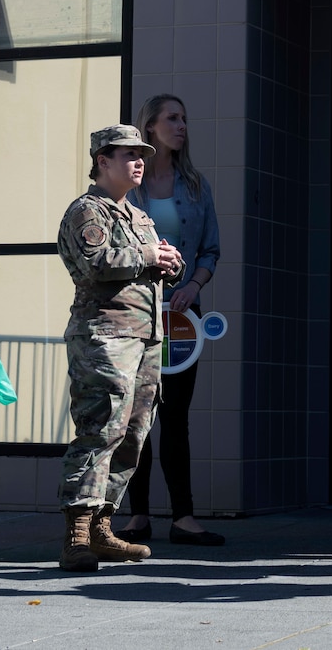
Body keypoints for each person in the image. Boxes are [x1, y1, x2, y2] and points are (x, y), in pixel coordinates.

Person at [55, 124, 184, 573]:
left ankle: (102, 525)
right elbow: (95, 264)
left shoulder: (139, 216)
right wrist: (150, 258)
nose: (139, 161)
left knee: (133, 433)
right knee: (100, 428)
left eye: (141, 154)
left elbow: (152, 265)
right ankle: (77, 529)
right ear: (102, 161)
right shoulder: (88, 211)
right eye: (127, 154)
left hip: (146, 337)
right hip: (104, 337)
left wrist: (170, 262)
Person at [119, 93, 224, 546]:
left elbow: (212, 251)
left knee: (174, 415)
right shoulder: (128, 191)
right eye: (172, 119)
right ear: (151, 128)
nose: (182, 126)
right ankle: (136, 516)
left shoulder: (197, 186)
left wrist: (193, 286)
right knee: (134, 415)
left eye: (184, 118)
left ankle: (183, 518)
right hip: (137, 312)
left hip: (183, 316)